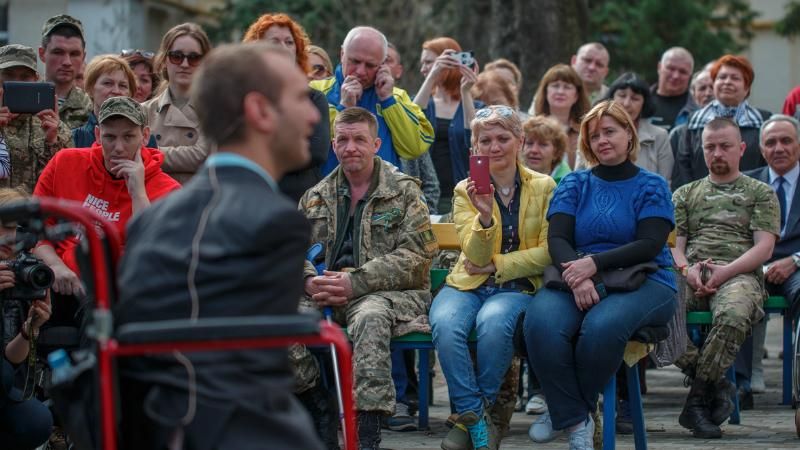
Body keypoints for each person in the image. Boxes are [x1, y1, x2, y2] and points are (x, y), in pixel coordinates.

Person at [113, 42, 324, 450]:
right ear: (260, 111)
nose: (315, 114)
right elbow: (249, 380)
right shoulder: (275, 222)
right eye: (301, 97)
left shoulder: (152, 219)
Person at [524, 100, 677, 450]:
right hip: (576, 274)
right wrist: (581, 276)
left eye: (610, 132)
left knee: (601, 327)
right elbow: (558, 239)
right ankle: (577, 417)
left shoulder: (651, 185)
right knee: (540, 323)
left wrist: (593, 265)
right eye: (594, 135)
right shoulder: (575, 183)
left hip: (646, 278)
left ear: (629, 134)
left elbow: (650, 244)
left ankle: (564, 409)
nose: (603, 140)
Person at [293, 106, 436, 450]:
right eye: (342, 139)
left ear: (376, 143)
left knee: (370, 319)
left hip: (388, 294)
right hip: (323, 293)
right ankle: (318, 404)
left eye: (359, 139)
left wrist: (353, 282)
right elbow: (289, 251)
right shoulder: (315, 197)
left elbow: (415, 258)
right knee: (276, 320)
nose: (350, 147)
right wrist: (310, 282)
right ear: (333, 144)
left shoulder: (404, 192)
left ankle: (367, 432)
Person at [429, 105, 553, 450]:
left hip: (516, 288)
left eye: (503, 138)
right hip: (467, 284)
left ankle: (467, 422)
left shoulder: (544, 187)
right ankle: (475, 415)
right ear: (475, 147)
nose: (494, 147)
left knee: (494, 324)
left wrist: (498, 265)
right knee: (445, 323)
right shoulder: (463, 190)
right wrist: (484, 216)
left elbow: (547, 253)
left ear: (520, 141)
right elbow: (474, 257)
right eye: (485, 140)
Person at [671, 117, 779, 438]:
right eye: (710, 147)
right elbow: (675, 247)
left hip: (739, 273)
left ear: (741, 149)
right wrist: (687, 272)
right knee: (654, 314)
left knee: (733, 315)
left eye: (725, 146)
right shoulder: (684, 194)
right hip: (690, 273)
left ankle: (696, 402)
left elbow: (764, 248)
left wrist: (725, 272)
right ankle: (716, 386)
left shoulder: (760, 192)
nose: (717, 153)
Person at [34, 96, 179, 296]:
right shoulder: (65, 163)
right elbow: (35, 232)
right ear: (97, 134)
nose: (118, 148)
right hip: (61, 284)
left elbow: (153, 256)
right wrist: (56, 266)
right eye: (110, 137)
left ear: (145, 136)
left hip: (123, 293)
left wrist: (138, 194)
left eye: (128, 137)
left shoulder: (168, 190)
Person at [312, 26, 434, 175]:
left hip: (384, 196)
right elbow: (308, 145)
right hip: (329, 195)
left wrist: (388, 101)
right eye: (355, 61)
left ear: (382, 64)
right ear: (342, 54)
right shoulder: (317, 92)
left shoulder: (397, 96)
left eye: (370, 65)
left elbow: (415, 148)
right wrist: (343, 107)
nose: (360, 71)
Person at [242, 13, 330, 202]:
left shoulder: (313, 98)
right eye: (274, 42)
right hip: (253, 196)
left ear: (297, 51)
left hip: (301, 201)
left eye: (289, 42)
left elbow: (317, 152)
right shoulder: (243, 95)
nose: (283, 48)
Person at [742, 115, 800, 396]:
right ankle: (746, 377)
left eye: (786, 140)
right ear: (762, 149)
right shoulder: (747, 184)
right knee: (740, 292)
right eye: (771, 142)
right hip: (755, 264)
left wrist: (796, 260)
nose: (779, 148)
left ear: (798, 145)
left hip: (798, 265)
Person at [0, 188, 53, 450]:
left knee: (37, 421)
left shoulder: (20, 272)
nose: (12, 239)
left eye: (19, 231)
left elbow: (10, 359)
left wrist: (30, 328)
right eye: (6, 229)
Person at [672, 54, 771, 189]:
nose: (727, 82)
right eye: (722, 77)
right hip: (702, 202)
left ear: (747, 88)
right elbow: (682, 167)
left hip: (750, 201)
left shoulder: (762, 121)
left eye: (735, 78)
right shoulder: (695, 121)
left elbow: (769, 168)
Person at [143, 22, 214, 184]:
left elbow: (202, 155)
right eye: (177, 56)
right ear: (164, 60)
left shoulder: (216, 109)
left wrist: (150, 153)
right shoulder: (143, 111)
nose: (184, 64)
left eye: (194, 58)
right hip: (154, 202)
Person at [414, 36, 478, 213]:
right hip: (424, 195)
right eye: (424, 63)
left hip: (464, 195)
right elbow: (410, 121)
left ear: (451, 63)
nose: (423, 69)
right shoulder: (422, 102)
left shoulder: (475, 106)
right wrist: (432, 76)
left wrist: (466, 92)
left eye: (429, 62)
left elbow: (476, 139)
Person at [0, 44, 72, 194]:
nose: (17, 82)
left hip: (38, 215)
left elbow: (66, 182)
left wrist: (52, 141)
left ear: (36, 79)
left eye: (25, 77)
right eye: (9, 75)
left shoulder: (55, 128)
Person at [71, 54, 158, 149]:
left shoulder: (145, 140)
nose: (116, 91)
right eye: (108, 83)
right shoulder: (75, 138)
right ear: (90, 88)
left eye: (122, 85)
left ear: (130, 93)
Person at [604, 73, 674, 185]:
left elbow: (665, 183)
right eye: (622, 96)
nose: (627, 104)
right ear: (611, 99)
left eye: (635, 98)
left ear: (644, 104)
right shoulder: (593, 132)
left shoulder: (660, 136)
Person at [530, 64, 591, 168]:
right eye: (555, 85)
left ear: (576, 96)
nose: (560, 91)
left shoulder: (585, 131)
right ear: (546, 92)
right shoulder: (530, 128)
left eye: (567, 87)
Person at [38, 14, 93, 129]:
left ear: (83, 57)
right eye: (58, 52)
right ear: (42, 54)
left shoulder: (93, 107)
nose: (67, 62)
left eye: (74, 54)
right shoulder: (25, 100)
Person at [650, 47, 695, 130]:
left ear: (690, 76)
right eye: (671, 68)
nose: (676, 76)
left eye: (683, 72)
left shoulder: (696, 114)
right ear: (659, 67)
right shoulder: (639, 103)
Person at [521, 115, 571, 184]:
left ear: (556, 152)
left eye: (542, 145)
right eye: (529, 143)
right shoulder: (511, 177)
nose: (534, 150)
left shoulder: (568, 184)